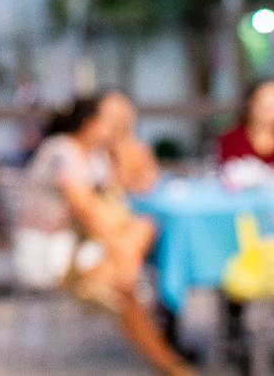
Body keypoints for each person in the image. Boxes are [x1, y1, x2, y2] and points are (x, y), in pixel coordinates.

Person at [19, 94, 196, 376]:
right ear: (91, 123)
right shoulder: (63, 152)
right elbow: (86, 210)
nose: (117, 126)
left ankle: (171, 361)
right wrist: (122, 251)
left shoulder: (91, 155)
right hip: (56, 255)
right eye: (111, 121)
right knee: (126, 285)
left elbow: (140, 182)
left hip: (87, 250)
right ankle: (173, 366)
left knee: (142, 229)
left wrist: (122, 142)